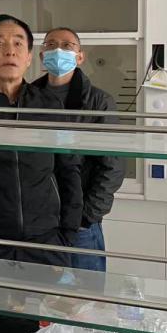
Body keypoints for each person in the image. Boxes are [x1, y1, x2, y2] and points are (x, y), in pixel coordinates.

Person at [0, 14, 83, 266]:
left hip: (45, 240)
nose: (10, 51)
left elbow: (68, 169)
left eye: (18, 43)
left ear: (29, 57)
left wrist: (67, 234)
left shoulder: (48, 105)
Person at [33, 27, 125, 272]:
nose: (58, 50)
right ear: (42, 55)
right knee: (38, 288)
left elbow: (113, 165)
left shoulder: (98, 102)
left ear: (80, 56)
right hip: (37, 218)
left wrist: (87, 216)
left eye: (67, 45)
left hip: (80, 222)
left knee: (85, 290)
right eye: (51, 45)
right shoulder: (29, 98)